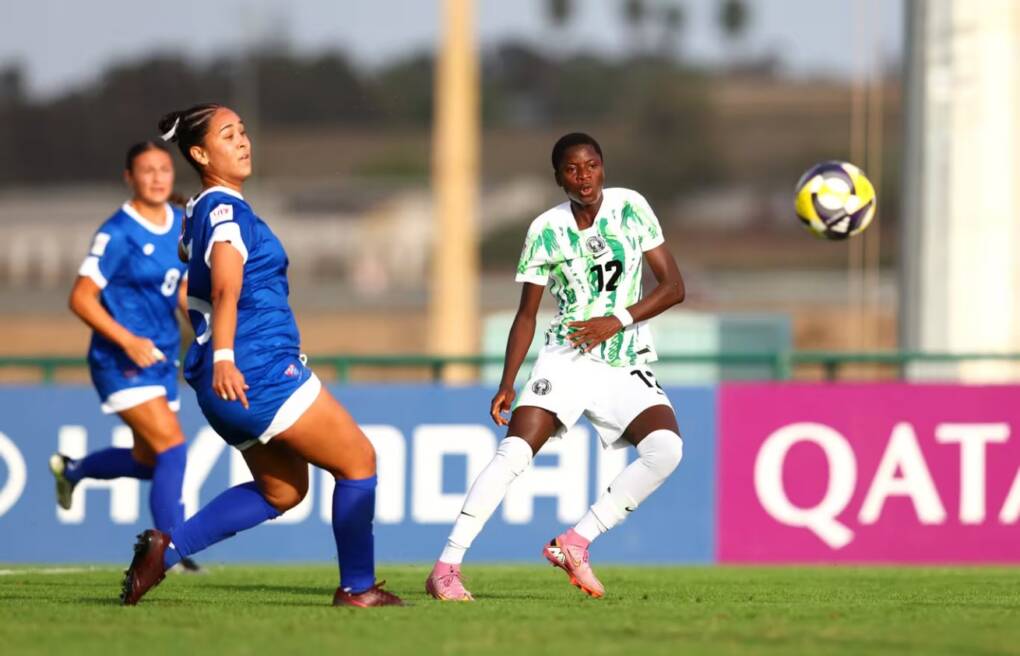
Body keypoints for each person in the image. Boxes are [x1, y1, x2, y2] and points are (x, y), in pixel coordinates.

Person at [119, 103, 402, 608]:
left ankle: (166, 551)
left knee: (283, 492)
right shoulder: (225, 211)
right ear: (200, 154)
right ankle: (357, 588)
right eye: (228, 135)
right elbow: (225, 289)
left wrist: (217, 358)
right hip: (257, 369)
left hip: (223, 382)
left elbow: (199, 287)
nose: (243, 142)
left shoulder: (201, 210)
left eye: (243, 132)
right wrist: (226, 356)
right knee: (359, 461)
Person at [426, 133, 686, 601]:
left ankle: (576, 542)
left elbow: (673, 287)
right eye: (572, 169)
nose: (584, 176)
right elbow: (526, 315)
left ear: (603, 167)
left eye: (591, 165)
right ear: (558, 178)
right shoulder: (545, 229)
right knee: (513, 454)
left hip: (622, 357)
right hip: (566, 356)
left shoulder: (630, 207)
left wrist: (616, 320)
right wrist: (507, 382)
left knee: (666, 449)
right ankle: (446, 567)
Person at [51, 141, 198, 571]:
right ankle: (169, 554)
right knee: (173, 448)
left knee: (150, 462)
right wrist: (128, 340)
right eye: (146, 170)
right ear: (129, 178)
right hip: (121, 362)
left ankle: (74, 470)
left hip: (162, 357)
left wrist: (212, 332)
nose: (156, 177)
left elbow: (179, 288)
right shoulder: (117, 232)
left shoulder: (180, 224)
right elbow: (81, 298)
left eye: (163, 169)